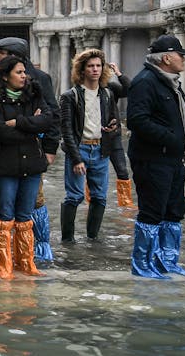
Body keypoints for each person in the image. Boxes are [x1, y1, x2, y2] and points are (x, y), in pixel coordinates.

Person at [126, 35, 185, 279]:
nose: (183, 60)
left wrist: (178, 144)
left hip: (173, 159)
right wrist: (170, 138)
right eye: (180, 55)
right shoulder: (145, 82)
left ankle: (167, 261)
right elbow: (137, 120)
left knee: (174, 209)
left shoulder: (170, 83)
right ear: (166, 58)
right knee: (152, 210)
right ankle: (142, 264)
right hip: (152, 159)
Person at [0, 55, 57, 279]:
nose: (25, 76)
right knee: (5, 214)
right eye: (19, 72)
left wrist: (19, 122)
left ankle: (27, 263)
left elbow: (48, 119)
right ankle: (3, 265)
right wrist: (31, 125)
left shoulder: (34, 92)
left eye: (25, 72)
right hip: (4, 166)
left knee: (25, 215)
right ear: (5, 76)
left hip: (32, 164)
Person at [59, 49, 123, 243]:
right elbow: (67, 130)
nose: (95, 69)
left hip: (101, 149)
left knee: (100, 197)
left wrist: (111, 127)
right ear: (82, 69)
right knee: (75, 196)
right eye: (90, 66)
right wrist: (76, 158)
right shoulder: (70, 96)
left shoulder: (106, 94)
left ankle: (92, 238)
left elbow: (114, 120)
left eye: (98, 66)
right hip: (80, 148)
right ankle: (67, 239)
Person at [105, 62, 135, 207]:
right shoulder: (83, 88)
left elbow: (131, 90)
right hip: (94, 136)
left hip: (113, 136)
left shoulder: (111, 87)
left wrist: (119, 73)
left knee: (122, 170)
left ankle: (125, 203)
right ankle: (91, 203)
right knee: (93, 172)